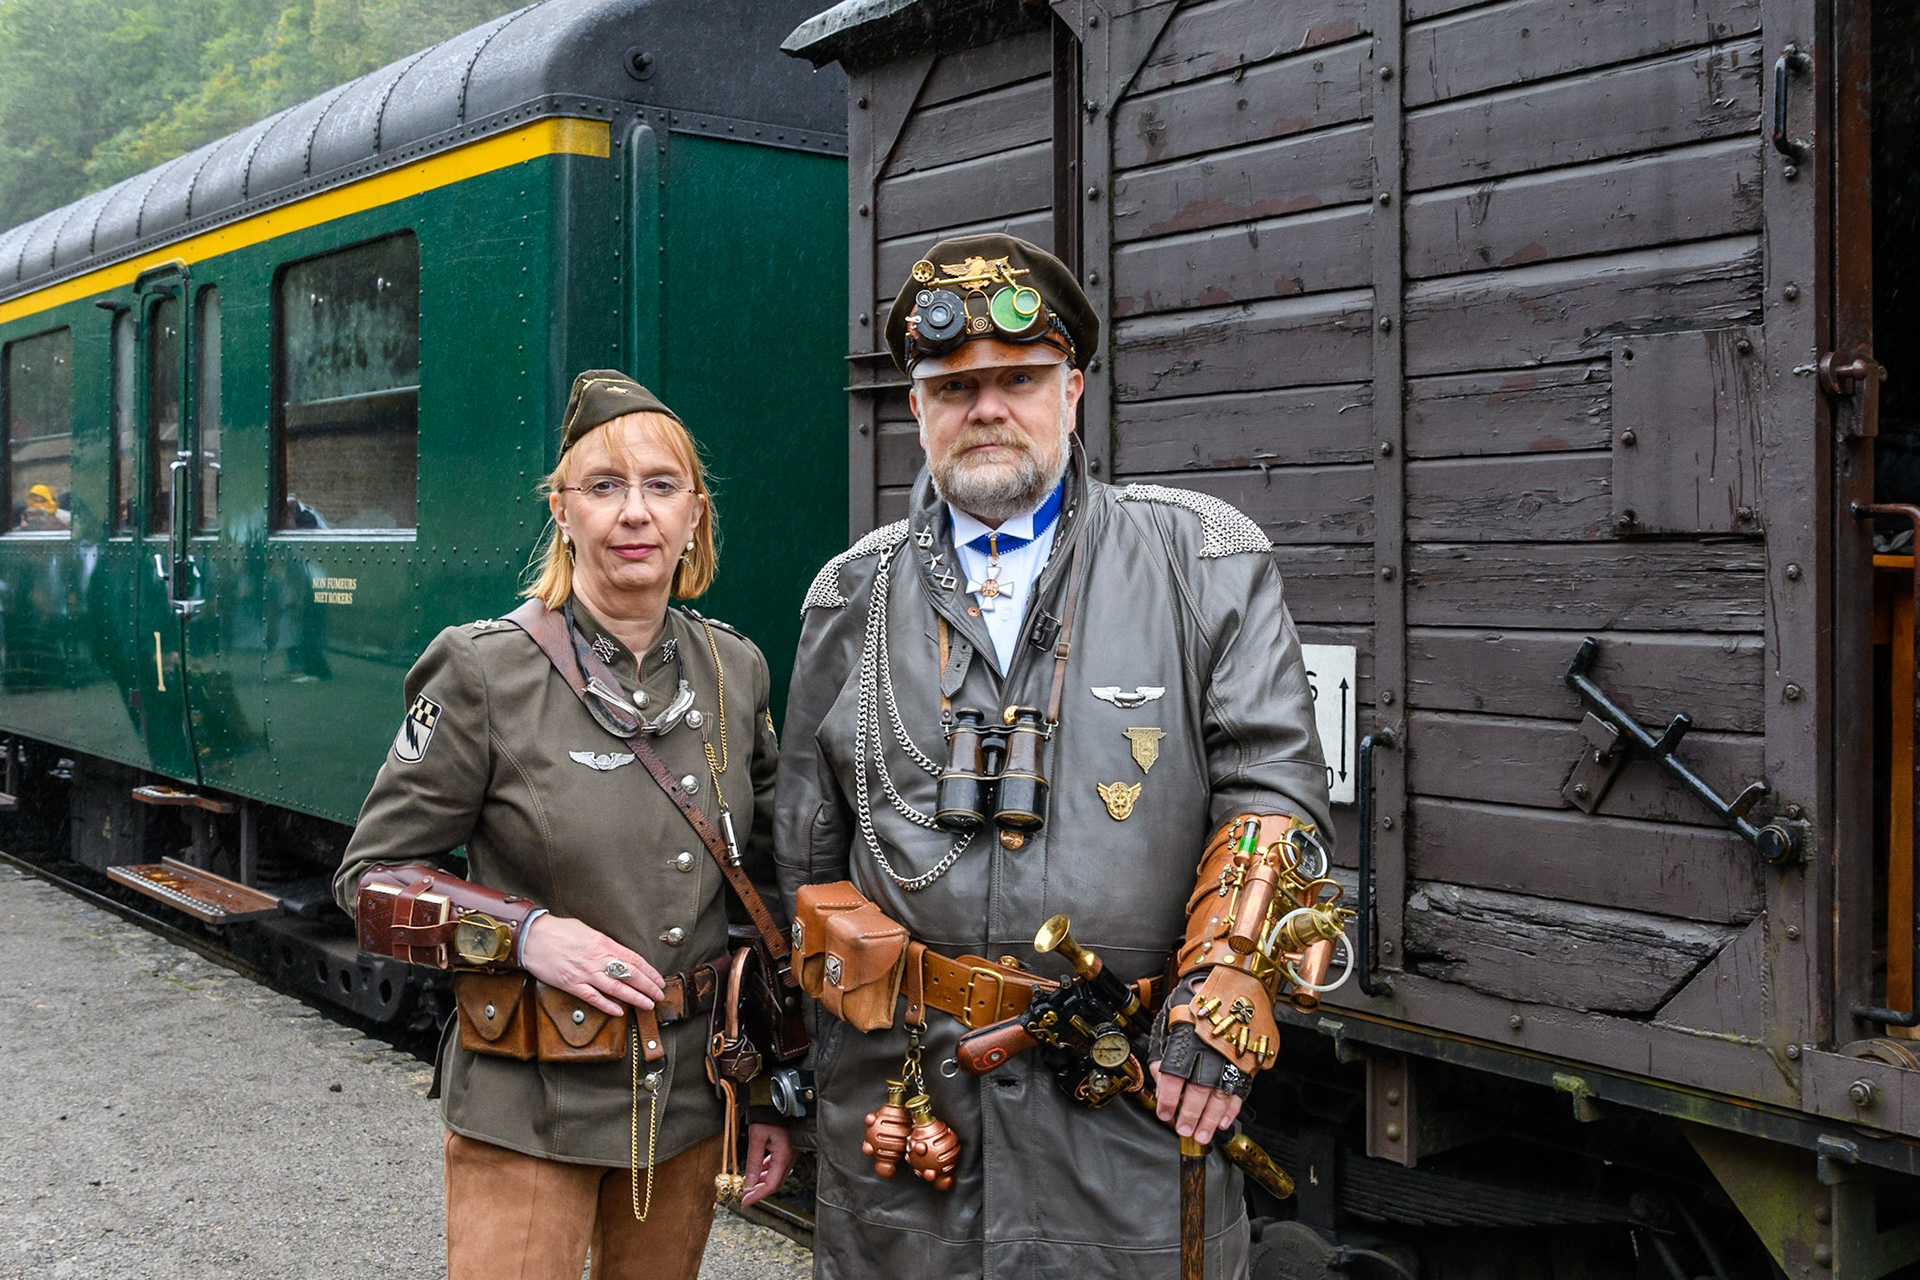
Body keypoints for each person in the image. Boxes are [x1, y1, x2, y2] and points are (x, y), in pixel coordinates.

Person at [775, 235, 1331, 1278]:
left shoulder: (1204, 558)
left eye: (1019, 380)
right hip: (908, 1112)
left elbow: (1274, 783)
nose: (987, 407)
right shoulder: (849, 593)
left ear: (1072, 391)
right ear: (916, 408)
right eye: (955, 387)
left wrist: (1228, 978)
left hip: (1130, 1104)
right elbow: (804, 851)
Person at [334, 371, 793, 1280]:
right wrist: (527, 934)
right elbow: (372, 880)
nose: (635, 513)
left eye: (661, 487)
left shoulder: (734, 671)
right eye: (605, 487)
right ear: (563, 511)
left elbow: (766, 895)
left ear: (695, 515)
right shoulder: (483, 671)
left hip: (686, 1105)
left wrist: (770, 1091)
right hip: (529, 1103)